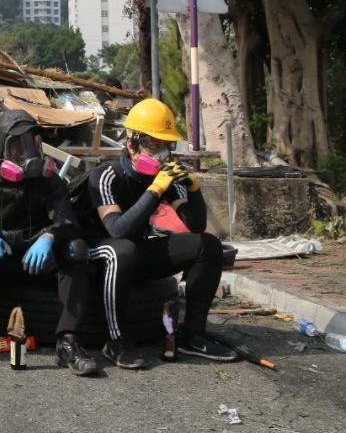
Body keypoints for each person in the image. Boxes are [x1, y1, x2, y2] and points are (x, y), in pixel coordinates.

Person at [0, 109, 99, 375]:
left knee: (76, 250)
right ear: (1, 147)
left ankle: (68, 341)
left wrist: (49, 237)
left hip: (37, 261)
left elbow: (68, 221)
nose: (26, 152)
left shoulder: (49, 181)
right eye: (16, 145)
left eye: (31, 143)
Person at [78, 97, 237, 366]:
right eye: (153, 145)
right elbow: (118, 230)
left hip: (132, 253)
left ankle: (192, 335)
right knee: (123, 250)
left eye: (165, 145)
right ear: (131, 144)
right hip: (94, 252)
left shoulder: (164, 177)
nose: (160, 153)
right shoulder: (106, 175)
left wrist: (194, 190)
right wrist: (154, 190)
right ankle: (115, 341)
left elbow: (194, 226)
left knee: (207, 245)